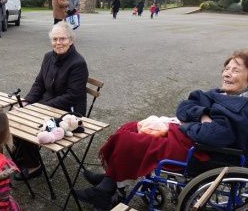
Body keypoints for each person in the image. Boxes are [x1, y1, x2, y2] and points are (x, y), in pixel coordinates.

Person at [75, 49, 248, 210]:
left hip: (202, 152)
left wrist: (188, 123)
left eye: (235, 70)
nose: (227, 73)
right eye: (226, 68)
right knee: (130, 127)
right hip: (190, 139)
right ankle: (111, 179)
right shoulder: (224, 94)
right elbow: (184, 106)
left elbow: (210, 134)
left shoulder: (240, 108)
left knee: (130, 140)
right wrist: (203, 115)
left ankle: (105, 191)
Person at [13, 21, 89, 180]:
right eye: (55, 39)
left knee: (29, 123)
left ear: (71, 40)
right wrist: (27, 101)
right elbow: (39, 83)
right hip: (47, 104)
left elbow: (72, 96)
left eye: (62, 39)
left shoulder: (78, 63)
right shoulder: (48, 57)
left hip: (69, 111)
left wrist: (38, 107)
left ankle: (34, 166)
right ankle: (22, 159)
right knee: (17, 117)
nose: (58, 43)